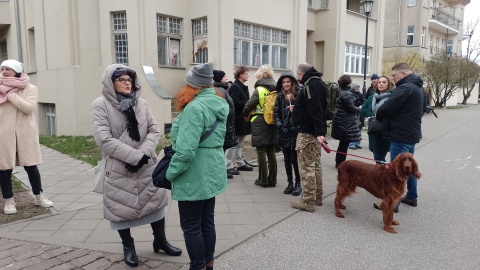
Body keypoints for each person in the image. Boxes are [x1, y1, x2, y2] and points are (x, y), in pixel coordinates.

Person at [91, 64, 181, 268]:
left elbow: (154, 130)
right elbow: (104, 139)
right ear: (110, 82)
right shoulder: (100, 105)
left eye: (129, 80)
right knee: (120, 207)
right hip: (119, 166)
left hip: (145, 163)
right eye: (121, 79)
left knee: (155, 202)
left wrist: (143, 155)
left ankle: (161, 240)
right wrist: (133, 157)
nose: (127, 83)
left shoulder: (141, 103)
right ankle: (128, 246)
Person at [166, 63, 228, 270]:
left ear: (193, 86)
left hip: (194, 173)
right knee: (207, 221)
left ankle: (198, 266)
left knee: (192, 225)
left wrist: (170, 173)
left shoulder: (194, 107)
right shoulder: (218, 103)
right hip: (212, 170)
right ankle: (207, 263)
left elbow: (185, 151)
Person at [0, 59, 53, 215]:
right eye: (2, 69)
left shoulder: (30, 88)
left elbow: (28, 108)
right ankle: (9, 200)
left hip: (25, 133)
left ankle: (38, 196)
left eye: (7, 69)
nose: (4, 71)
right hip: (4, 134)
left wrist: (10, 95)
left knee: (31, 166)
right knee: (4, 168)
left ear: (16, 70)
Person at [375, 62, 424, 209]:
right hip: (411, 133)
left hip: (400, 134)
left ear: (403, 74)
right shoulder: (418, 87)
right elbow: (423, 109)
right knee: (408, 167)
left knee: (396, 170)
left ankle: (392, 204)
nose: (393, 78)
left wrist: (379, 114)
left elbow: (386, 108)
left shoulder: (405, 88)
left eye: (394, 75)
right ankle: (411, 196)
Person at [290, 63, 327, 212]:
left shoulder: (310, 84)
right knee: (315, 165)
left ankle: (308, 201)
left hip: (308, 133)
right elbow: (313, 106)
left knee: (307, 167)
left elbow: (315, 109)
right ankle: (317, 197)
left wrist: (319, 132)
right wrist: (297, 109)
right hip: (314, 131)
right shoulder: (318, 82)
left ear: (300, 74)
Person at [360, 75, 396, 211]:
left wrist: (379, 116)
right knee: (377, 156)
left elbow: (391, 112)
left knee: (381, 156)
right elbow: (364, 109)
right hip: (374, 130)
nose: (381, 84)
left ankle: (384, 182)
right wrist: (373, 115)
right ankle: (381, 179)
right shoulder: (372, 97)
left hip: (386, 131)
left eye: (384, 82)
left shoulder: (392, 97)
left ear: (389, 84)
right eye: (379, 82)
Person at [243, 65, 278, 188]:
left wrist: (245, 114)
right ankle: (272, 179)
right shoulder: (276, 89)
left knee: (261, 151)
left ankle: (263, 180)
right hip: (273, 122)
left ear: (260, 76)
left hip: (260, 122)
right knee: (271, 151)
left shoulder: (260, 90)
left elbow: (248, 106)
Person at [274, 71, 301, 195]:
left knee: (295, 159)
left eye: (288, 82)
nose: (285, 84)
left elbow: (304, 112)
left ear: (292, 83)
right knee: (286, 159)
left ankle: (298, 183)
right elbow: (276, 114)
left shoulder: (298, 95)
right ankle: (290, 183)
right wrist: (280, 126)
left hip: (295, 132)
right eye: (284, 82)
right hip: (284, 132)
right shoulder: (279, 97)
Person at [226, 66, 253, 175]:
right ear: (240, 74)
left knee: (240, 143)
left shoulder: (241, 86)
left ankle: (240, 163)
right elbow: (233, 103)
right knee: (233, 143)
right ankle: (227, 165)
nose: (248, 75)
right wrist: (248, 103)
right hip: (237, 119)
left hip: (243, 118)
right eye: (246, 73)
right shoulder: (236, 87)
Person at [331, 75, 362, 168]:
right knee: (344, 144)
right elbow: (351, 108)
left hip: (340, 121)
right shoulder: (347, 93)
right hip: (346, 123)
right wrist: (359, 108)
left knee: (342, 143)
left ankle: (338, 161)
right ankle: (340, 163)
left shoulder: (340, 92)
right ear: (349, 83)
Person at [213, 70, 237, 180]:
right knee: (221, 149)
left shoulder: (223, 89)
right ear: (220, 78)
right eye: (224, 76)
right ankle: (220, 171)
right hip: (224, 124)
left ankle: (223, 169)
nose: (226, 78)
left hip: (228, 124)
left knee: (224, 148)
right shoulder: (219, 90)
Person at [348, 82, 365, 150]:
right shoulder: (351, 95)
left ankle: (357, 143)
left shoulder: (360, 95)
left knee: (359, 129)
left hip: (360, 114)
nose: (358, 88)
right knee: (353, 130)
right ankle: (351, 144)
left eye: (358, 87)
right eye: (356, 87)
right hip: (354, 115)